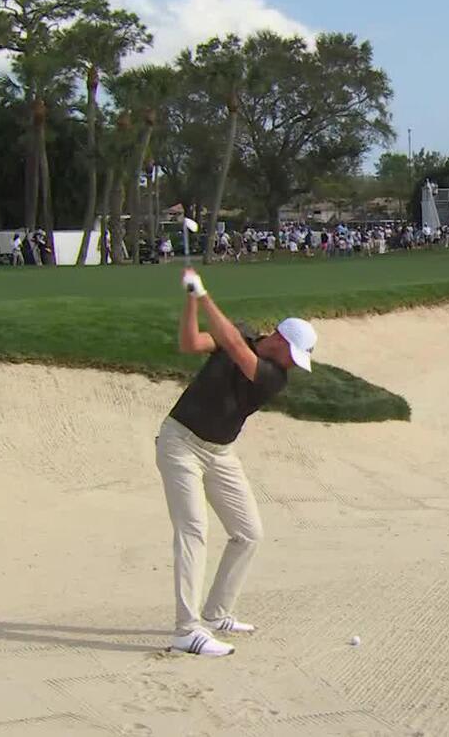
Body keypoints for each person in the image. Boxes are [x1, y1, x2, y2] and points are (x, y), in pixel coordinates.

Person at [159, 267, 317, 657]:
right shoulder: (245, 340)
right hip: (180, 443)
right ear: (279, 339)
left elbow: (232, 343)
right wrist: (191, 302)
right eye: (293, 354)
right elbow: (190, 342)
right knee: (194, 531)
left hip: (220, 454)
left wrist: (204, 294)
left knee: (248, 533)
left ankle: (216, 614)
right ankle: (186, 630)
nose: (294, 363)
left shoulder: (273, 377)